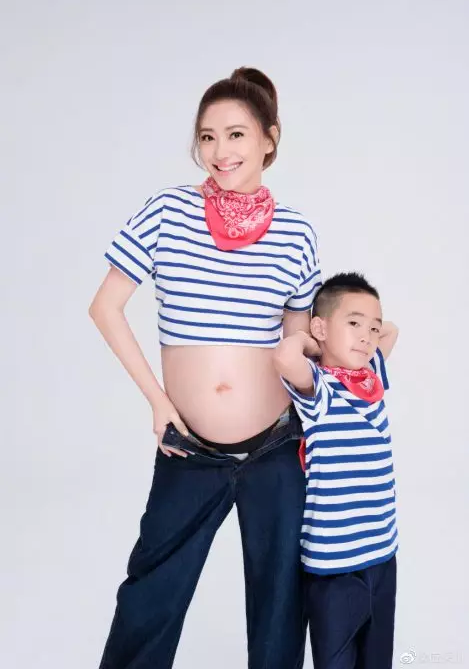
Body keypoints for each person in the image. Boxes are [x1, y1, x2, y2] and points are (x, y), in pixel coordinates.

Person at [89, 66, 322, 669]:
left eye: (236, 134)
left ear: (269, 138)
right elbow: (105, 307)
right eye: (208, 136)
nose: (221, 151)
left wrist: (352, 357)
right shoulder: (168, 211)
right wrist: (158, 401)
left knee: (280, 602)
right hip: (188, 445)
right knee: (151, 594)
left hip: (277, 445)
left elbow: (295, 346)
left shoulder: (296, 233)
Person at [273, 272, 399, 669]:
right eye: (354, 323)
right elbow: (284, 356)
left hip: (382, 552)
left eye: (372, 328)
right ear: (321, 328)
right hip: (335, 564)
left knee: (377, 658)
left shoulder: (371, 376)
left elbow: (392, 330)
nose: (367, 336)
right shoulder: (320, 387)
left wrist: (362, 331)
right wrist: (313, 342)